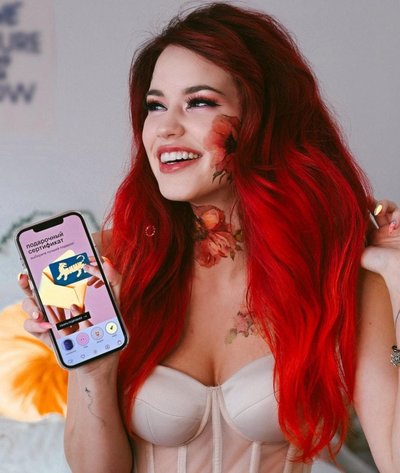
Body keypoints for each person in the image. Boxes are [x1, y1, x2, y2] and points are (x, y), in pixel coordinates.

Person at [18, 3, 400, 472]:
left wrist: (397, 278)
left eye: (199, 102)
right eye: (155, 106)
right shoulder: (109, 266)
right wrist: (92, 372)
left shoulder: (338, 268)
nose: (165, 127)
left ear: (264, 118)